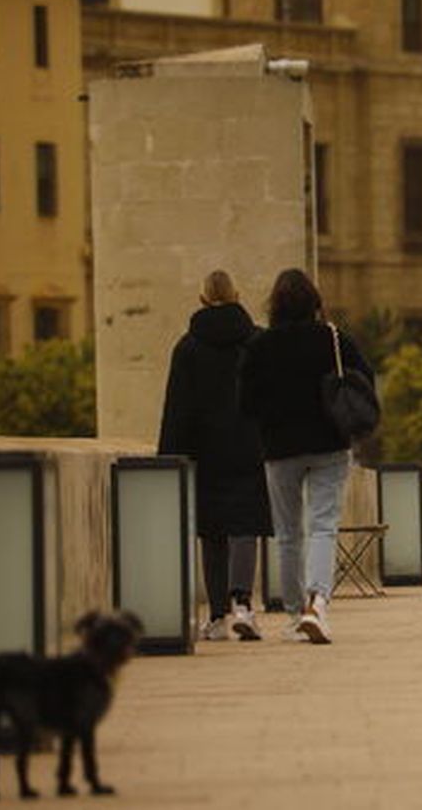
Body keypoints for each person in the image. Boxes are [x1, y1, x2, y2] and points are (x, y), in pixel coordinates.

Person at [239, 268, 371, 644]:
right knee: (324, 524)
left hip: (280, 449)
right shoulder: (332, 338)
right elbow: (365, 380)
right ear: (314, 301)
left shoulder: (260, 346)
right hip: (329, 443)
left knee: (287, 534)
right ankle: (319, 602)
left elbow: (245, 403)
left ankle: (295, 615)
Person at [158, 270, 272, 642]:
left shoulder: (187, 347)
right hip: (248, 444)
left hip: (205, 451)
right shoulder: (256, 341)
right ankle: (243, 604)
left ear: (203, 298)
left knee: (212, 532)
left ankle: (218, 616)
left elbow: (177, 409)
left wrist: (170, 457)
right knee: (244, 527)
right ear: (237, 295)